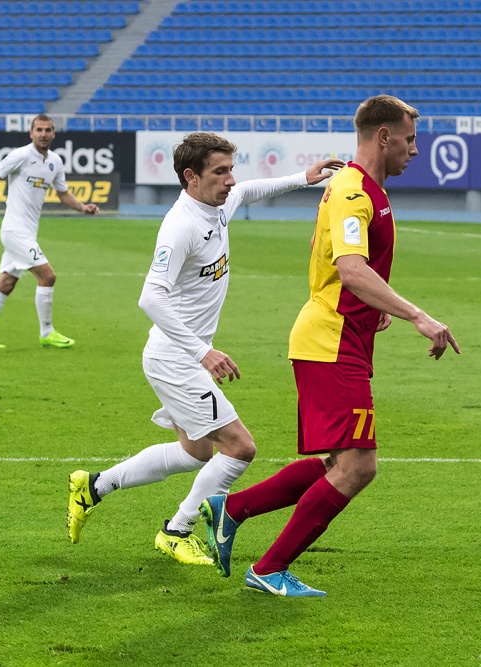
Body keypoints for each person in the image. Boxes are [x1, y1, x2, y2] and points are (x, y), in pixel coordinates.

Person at [197, 95, 460, 597]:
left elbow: (342, 266)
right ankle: (269, 568)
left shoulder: (364, 190)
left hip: (342, 337)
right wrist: (418, 316)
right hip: (330, 341)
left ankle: (230, 509)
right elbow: (351, 270)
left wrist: (374, 305)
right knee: (357, 467)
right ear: (383, 137)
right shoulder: (353, 193)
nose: (415, 150)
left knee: (340, 464)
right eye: (409, 140)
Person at [66, 132, 344, 565]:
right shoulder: (181, 226)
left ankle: (93, 486)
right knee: (240, 447)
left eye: (231, 169)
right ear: (191, 177)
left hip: (180, 356)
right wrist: (202, 352)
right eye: (219, 172)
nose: (230, 180)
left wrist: (302, 178)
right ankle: (177, 531)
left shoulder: (217, 204)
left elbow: (248, 190)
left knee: (194, 453)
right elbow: (150, 297)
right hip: (175, 360)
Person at [0, 114, 99, 349]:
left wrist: (83, 207)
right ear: (31, 133)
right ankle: (47, 332)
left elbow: (63, 194)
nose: (43, 134)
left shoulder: (55, 161)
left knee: (6, 283)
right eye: (39, 130)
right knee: (48, 276)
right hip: (14, 231)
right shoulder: (21, 155)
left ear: (54, 133)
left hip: (27, 232)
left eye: (48, 130)